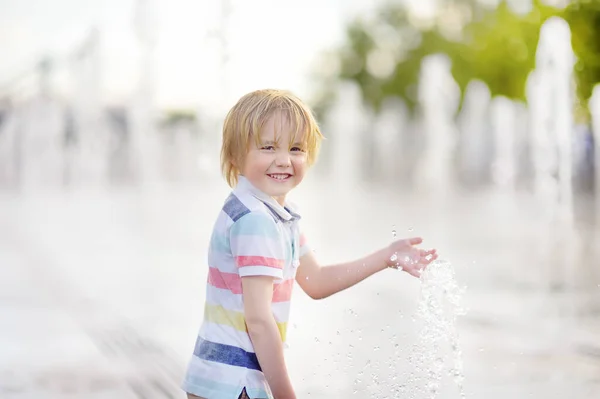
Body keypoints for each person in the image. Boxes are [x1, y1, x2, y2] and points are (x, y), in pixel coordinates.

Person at [182, 89, 437, 399]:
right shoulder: (255, 221)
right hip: (234, 383)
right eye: (268, 147)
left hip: (222, 379)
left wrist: (386, 257)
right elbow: (259, 321)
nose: (283, 160)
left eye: (295, 148)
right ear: (235, 155)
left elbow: (316, 281)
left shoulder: (277, 216)